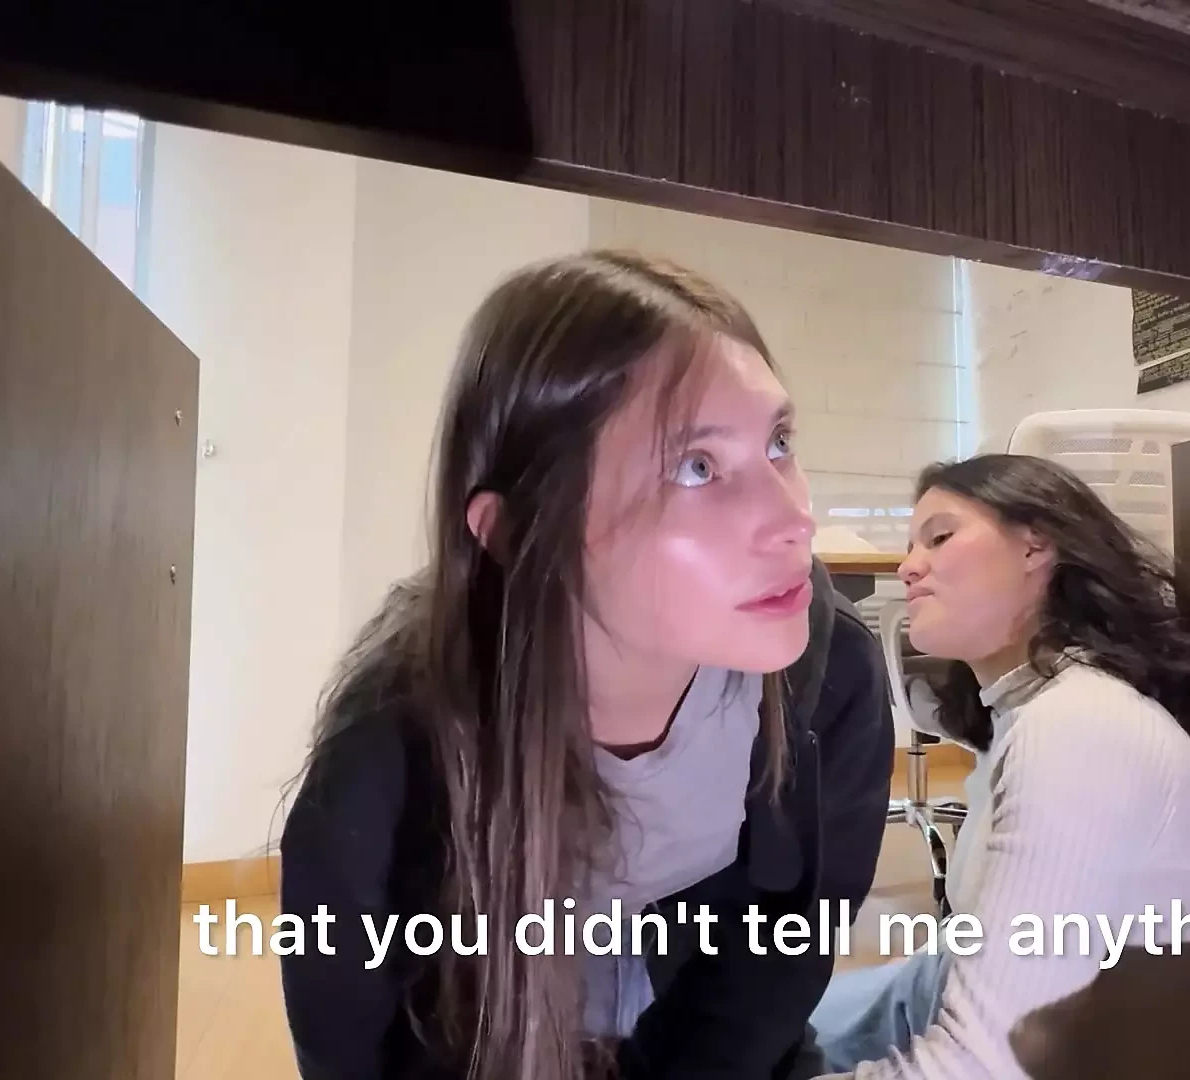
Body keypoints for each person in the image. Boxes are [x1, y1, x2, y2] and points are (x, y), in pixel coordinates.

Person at [277, 251, 895, 1080]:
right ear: (517, 532)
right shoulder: (387, 748)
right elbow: (350, 1051)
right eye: (698, 466)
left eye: (779, 443)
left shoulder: (832, 676)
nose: (794, 520)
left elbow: (771, 977)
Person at [809, 453, 1190, 1079]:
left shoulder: (1079, 729)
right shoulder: (1036, 711)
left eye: (940, 537)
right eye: (910, 547)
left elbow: (979, 1067)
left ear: (1036, 546)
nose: (907, 567)